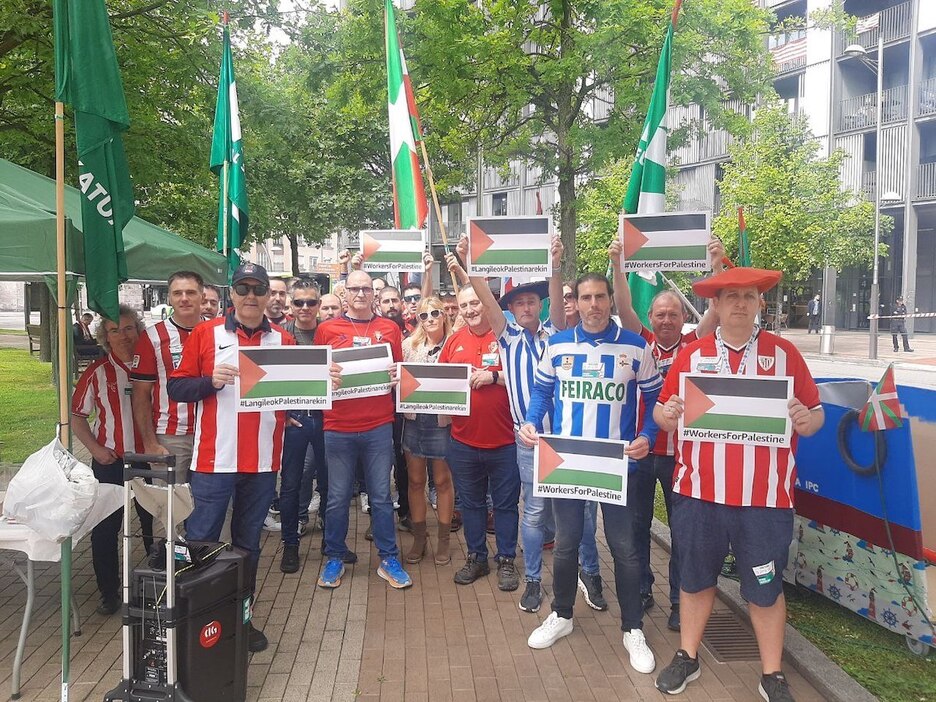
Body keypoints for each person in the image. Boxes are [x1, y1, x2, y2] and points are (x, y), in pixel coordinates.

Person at [653, 266, 824, 701]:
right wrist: (667, 415)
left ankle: (772, 674)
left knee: (765, 590)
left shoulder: (785, 353)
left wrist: (809, 421)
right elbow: (661, 412)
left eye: (748, 296)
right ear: (716, 304)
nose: (740, 304)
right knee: (694, 581)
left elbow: (815, 412)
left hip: (764, 499)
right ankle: (687, 655)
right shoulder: (691, 357)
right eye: (731, 296)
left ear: (760, 303)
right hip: (698, 495)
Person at [519, 272, 663, 676]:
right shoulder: (557, 344)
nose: (594, 304)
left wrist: (647, 436)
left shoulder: (636, 347)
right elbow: (543, 393)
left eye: (601, 296)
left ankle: (633, 628)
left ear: (610, 301)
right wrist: (531, 423)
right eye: (586, 298)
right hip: (567, 461)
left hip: (617, 464)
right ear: (575, 303)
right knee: (565, 543)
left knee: (624, 548)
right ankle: (562, 614)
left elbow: (655, 397)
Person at [167, 262, 295, 653]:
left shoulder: (285, 341)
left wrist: (328, 382)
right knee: (201, 540)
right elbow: (176, 387)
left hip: (261, 462)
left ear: (269, 295)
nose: (252, 296)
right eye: (244, 288)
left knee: (248, 545)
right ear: (232, 293)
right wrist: (210, 381)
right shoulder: (206, 333)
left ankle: (242, 618)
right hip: (213, 461)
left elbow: (302, 393)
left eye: (260, 289)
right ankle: (194, 621)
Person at [610, 238, 724, 633]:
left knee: (683, 533)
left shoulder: (695, 345)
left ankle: (679, 600)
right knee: (637, 527)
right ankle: (642, 590)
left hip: (681, 456)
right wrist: (617, 262)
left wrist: (714, 263)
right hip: (642, 452)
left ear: (681, 318)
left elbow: (712, 310)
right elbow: (623, 307)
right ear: (651, 317)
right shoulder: (639, 342)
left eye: (673, 314)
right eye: (659, 314)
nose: (666, 321)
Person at [449, 235, 568, 614]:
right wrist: (470, 262)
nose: (527, 306)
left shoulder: (558, 335)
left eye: (532, 300)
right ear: (511, 308)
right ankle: (530, 578)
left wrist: (554, 263)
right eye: (519, 301)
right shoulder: (508, 337)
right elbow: (485, 297)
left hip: (563, 439)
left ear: (539, 304)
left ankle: (585, 576)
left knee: (572, 515)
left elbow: (558, 306)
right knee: (531, 512)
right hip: (528, 440)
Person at [314, 270, 412, 590]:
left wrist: (398, 375)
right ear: (344, 295)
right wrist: (324, 377)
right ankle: (334, 557)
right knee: (337, 498)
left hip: (378, 426)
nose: (360, 294)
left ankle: (388, 558)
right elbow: (315, 378)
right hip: (337, 426)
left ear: (374, 293)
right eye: (354, 289)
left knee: (382, 497)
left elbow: (399, 371)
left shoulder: (389, 328)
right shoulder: (326, 329)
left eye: (366, 289)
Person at [439, 275, 520, 591]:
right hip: (463, 441)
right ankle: (477, 557)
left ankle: (507, 560)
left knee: (505, 505)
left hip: (505, 443)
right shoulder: (454, 340)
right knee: (471, 505)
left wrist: (494, 376)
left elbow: (524, 378)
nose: (471, 310)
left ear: (488, 304)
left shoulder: (507, 338)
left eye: (475, 303)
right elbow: (441, 384)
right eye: (464, 305)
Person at [72, 305, 154, 616]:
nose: (123, 335)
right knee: (106, 528)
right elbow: (77, 416)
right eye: (114, 330)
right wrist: (94, 449)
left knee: (152, 523)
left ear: (138, 329)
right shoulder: (97, 371)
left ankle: (156, 584)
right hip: (111, 460)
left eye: (129, 328)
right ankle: (109, 591)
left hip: (146, 459)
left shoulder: (152, 366)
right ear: (105, 337)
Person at [401, 296, 456, 565]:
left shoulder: (455, 343)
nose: (430, 318)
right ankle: (420, 537)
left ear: (444, 314)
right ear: (418, 320)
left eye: (435, 313)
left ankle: (443, 539)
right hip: (414, 419)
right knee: (415, 481)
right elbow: (397, 377)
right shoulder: (408, 346)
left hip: (442, 422)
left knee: (443, 481)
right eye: (424, 315)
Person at [277, 279, 327, 573]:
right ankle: (290, 545)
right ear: (290, 305)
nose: (305, 307)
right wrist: (280, 414)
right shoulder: (280, 336)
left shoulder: (330, 332)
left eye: (311, 302)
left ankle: (330, 542)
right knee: (291, 484)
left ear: (319, 305)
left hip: (325, 417)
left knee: (330, 482)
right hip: (293, 418)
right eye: (299, 302)